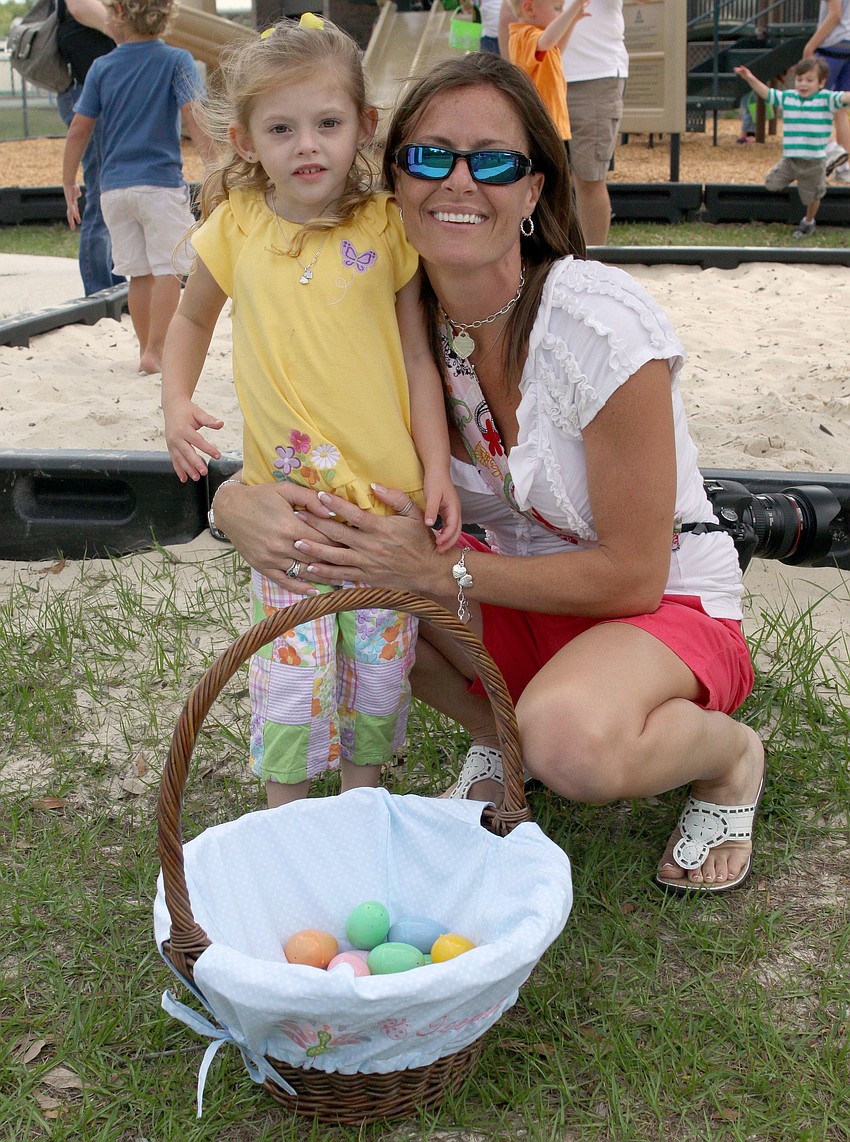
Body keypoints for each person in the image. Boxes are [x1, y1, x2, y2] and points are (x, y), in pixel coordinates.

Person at [211, 53, 766, 896]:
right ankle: (510, 738)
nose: (458, 182)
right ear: (392, 179)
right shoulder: (380, 325)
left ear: (535, 190)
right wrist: (231, 501)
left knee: (569, 741)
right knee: (355, 589)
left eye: (494, 161)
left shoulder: (599, 326)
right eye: (430, 157)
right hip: (508, 597)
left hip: (658, 604)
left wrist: (438, 570)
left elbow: (632, 573)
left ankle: (729, 759)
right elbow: (293, 451)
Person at [160, 17, 461, 810]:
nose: (308, 145)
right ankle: (285, 815)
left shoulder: (389, 227)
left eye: (327, 123)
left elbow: (419, 359)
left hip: (383, 508)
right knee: (289, 675)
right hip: (288, 508)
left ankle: (362, 803)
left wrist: (436, 470)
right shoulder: (236, 228)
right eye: (282, 128)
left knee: (380, 673)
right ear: (246, 139)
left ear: (363, 126)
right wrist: (176, 402)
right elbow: (191, 320)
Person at [62, 0, 212, 374]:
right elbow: (194, 115)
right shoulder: (177, 61)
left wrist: (68, 181)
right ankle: (157, 351)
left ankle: (146, 347)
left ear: (120, 17)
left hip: (114, 190)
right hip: (159, 186)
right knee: (168, 269)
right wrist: (215, 168)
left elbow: (80, 128)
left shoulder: (102, 67)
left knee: (138, 273)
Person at [735, 57, 850, 239]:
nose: (803, 84)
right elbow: (766, 93)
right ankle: (813, 168)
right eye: (799, 79)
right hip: (790, 159)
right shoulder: (789, 98)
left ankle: (808, 221)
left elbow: (845, 97)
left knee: (812, 196)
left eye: (809, 80)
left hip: (813, 160)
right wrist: (749, 77)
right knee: (771, 185)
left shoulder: (827, 99)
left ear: (821, 83)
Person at [55, 0, 124, 295]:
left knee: (108, 190)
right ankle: (99, 289)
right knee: (100, 192)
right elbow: (83, 9)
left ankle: (112, 282)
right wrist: (130, 34)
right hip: (86, 92)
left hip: (97, 92)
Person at [506, 0, 589, 148]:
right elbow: (549, 40)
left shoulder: (538, 40)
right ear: (529, 8)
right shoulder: (523, 35)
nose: (562, 14)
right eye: (557, 8)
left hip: (552, 124)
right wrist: (575, 6)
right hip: (540, 126)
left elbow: (556, 48)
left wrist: (573, 20)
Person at [805, 0, 850, 182]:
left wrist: (810, 46)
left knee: (809, 102)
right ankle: (845, 167)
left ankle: (831, 148)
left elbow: (835, 14)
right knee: (840, 109)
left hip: (832, 44)